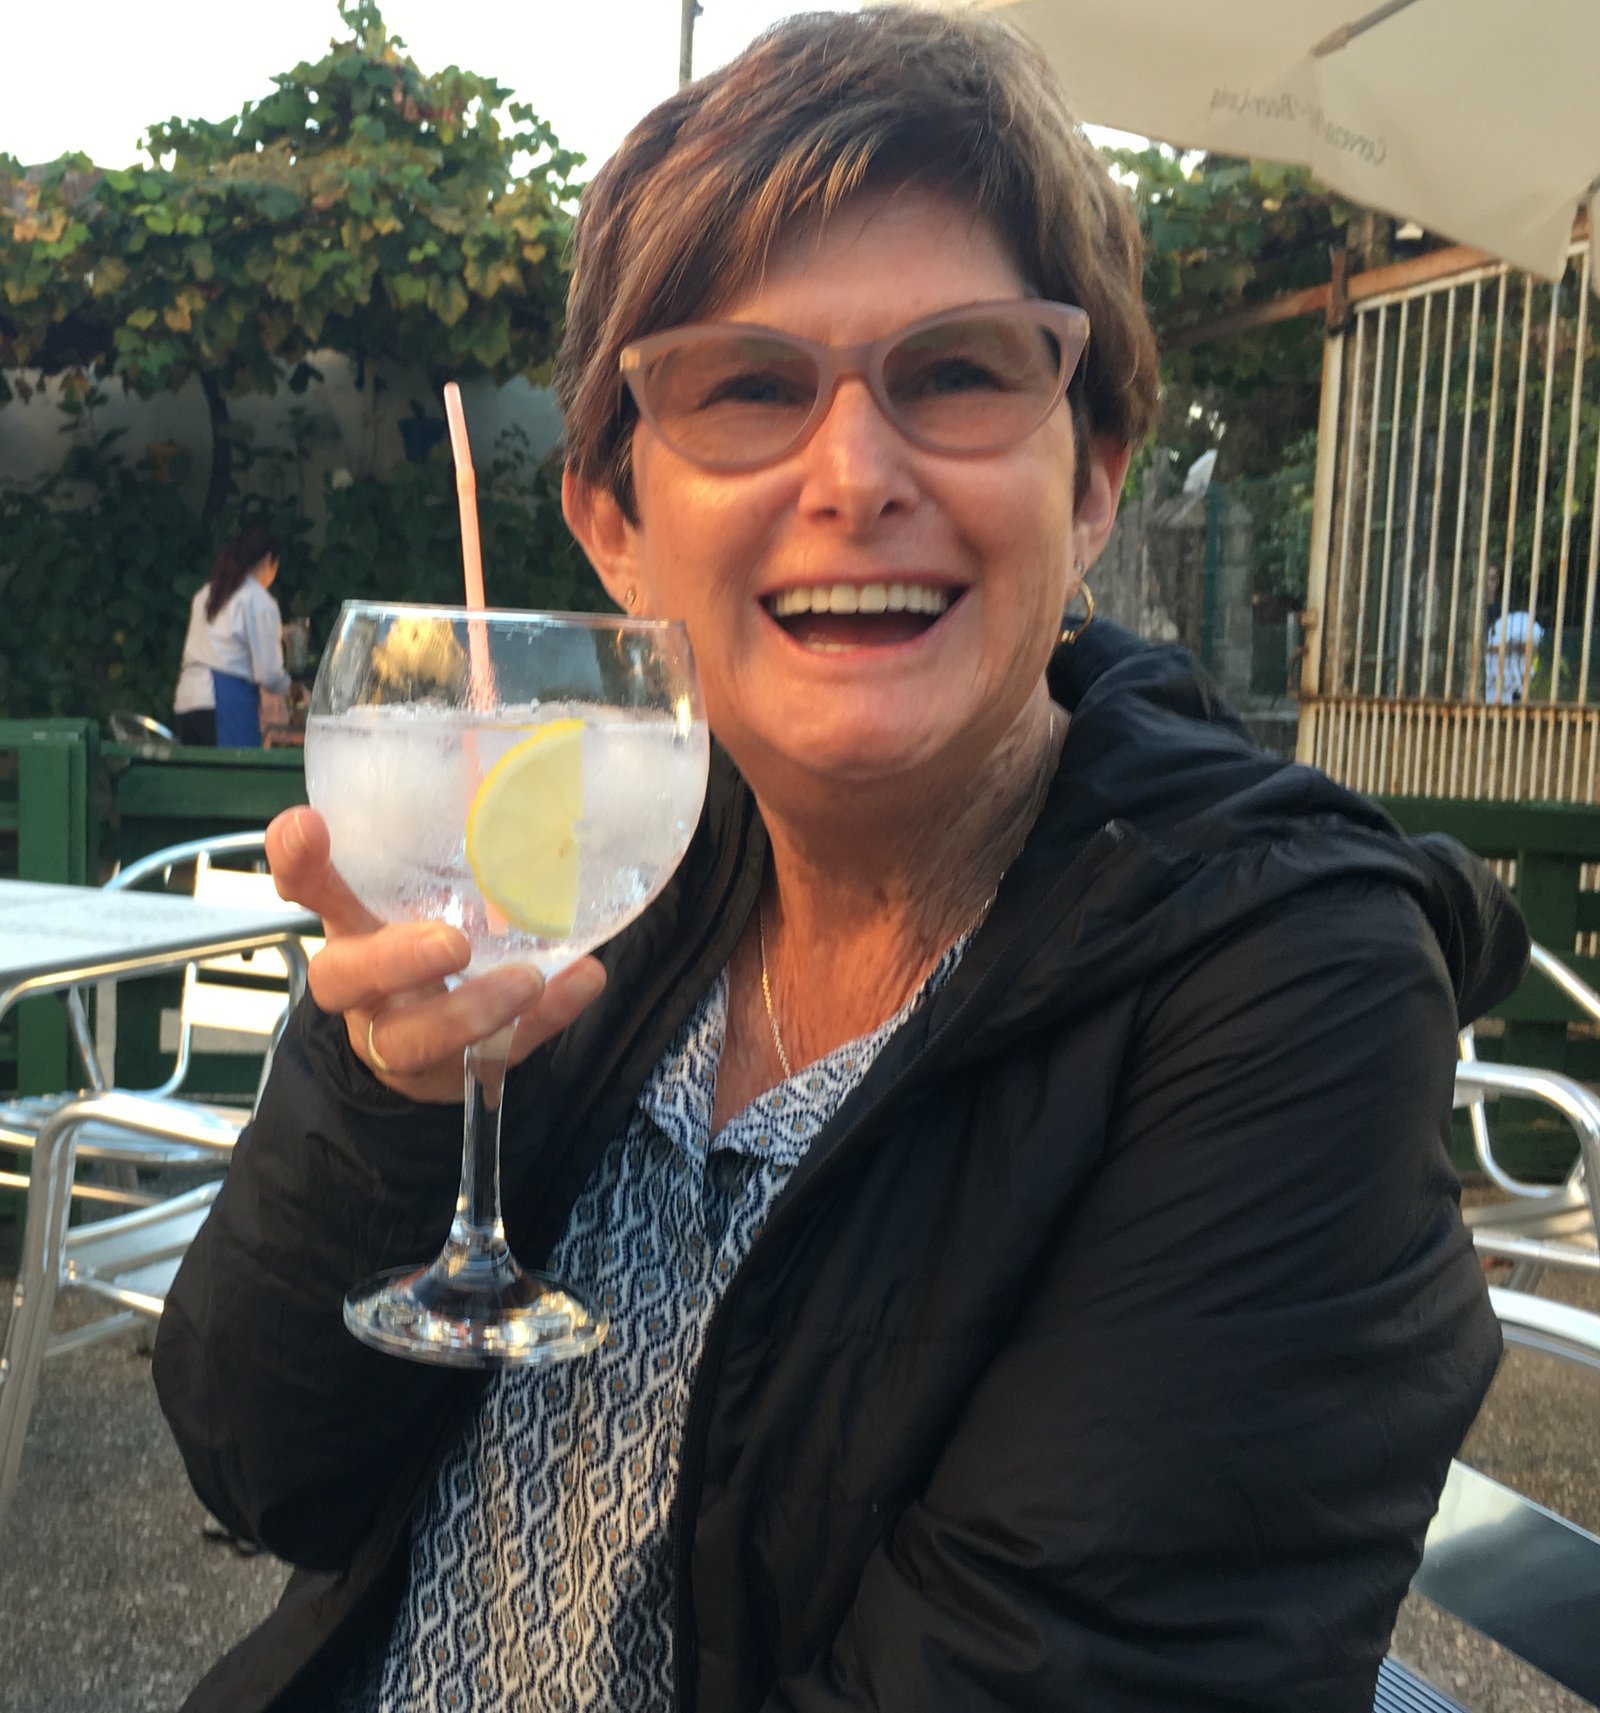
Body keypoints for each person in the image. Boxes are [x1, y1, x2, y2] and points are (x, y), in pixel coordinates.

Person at [153, 10, 1528, 1711]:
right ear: (615, 526)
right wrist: (389, 1105)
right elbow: (260, 1461)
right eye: (746, 387)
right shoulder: (594, 858)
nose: (857, 475)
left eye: (958, 372)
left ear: (1092, 482)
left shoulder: (1283, 996)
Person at [172, 525, 292, 746]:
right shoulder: (259, 600)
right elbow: (269, 674)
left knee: (199, 768)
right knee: (236, 768)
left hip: (188, 699)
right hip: (225, 701)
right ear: (268, 560)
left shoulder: (207, 593)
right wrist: (291, 688)